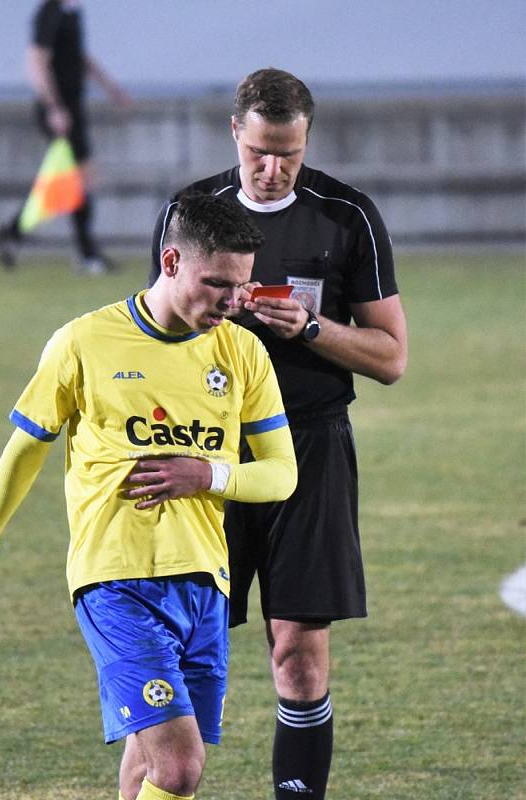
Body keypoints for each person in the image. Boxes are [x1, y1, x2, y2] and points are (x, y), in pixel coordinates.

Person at [0, 193, 298, 800]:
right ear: (170, 261)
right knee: (180, 766)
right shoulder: (84, 342)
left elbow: (281, 474)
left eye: (240, 286)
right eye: (216, 282)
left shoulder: (243, 352)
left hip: (204, 582)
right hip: (116, 583)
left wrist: (208, 476)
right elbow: (26, 446)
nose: (230, 301)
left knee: (147, 762)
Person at [150, 68, 408, 800]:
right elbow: (152, 333)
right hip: (204, 452)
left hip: (308, 448)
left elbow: (390, 357)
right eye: (259, 151)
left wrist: (314, 328)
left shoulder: (344, 215)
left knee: (297, 653)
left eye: (288, 155)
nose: (271, 169)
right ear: (235, 131)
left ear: (306, 140)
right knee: (174, 653)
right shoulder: (190, 212)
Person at [0, 0, 130, 274]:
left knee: (73, 182)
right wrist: (54, 108)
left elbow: (79, 57)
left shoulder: (71, 12)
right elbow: (36, 60)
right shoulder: (51, 11)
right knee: (79, 180)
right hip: (61, 111)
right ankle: (86, 254)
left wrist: (110, 88)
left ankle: (14, 233)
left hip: (72, 109)